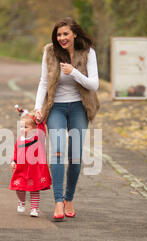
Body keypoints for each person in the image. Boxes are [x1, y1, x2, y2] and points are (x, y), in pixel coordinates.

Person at [34, 17, 100, 221]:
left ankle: (69, 198)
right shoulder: (50, 52)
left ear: (75, 34)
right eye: (59, 35)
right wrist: (38, 108)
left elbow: (94, 84)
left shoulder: (88, 53)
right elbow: (44, 82)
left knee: (75, 155)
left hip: (80, 107)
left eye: (65, 34)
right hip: (56, 108)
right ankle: (58, 202)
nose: (62, 38)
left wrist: (74, 73)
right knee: (58, 151)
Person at [9, 106, 52, 217]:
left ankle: (34, 209)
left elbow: (41, 127)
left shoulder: (37, 138)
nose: (22, 129)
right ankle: (22, 201)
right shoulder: (19, 141)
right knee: (19, 188)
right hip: (21, 169)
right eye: (21, 127)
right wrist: (13, 161)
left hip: (34, 170)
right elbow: (15, 153)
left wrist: (38, 120)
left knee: (34, 190)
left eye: (26, 127)